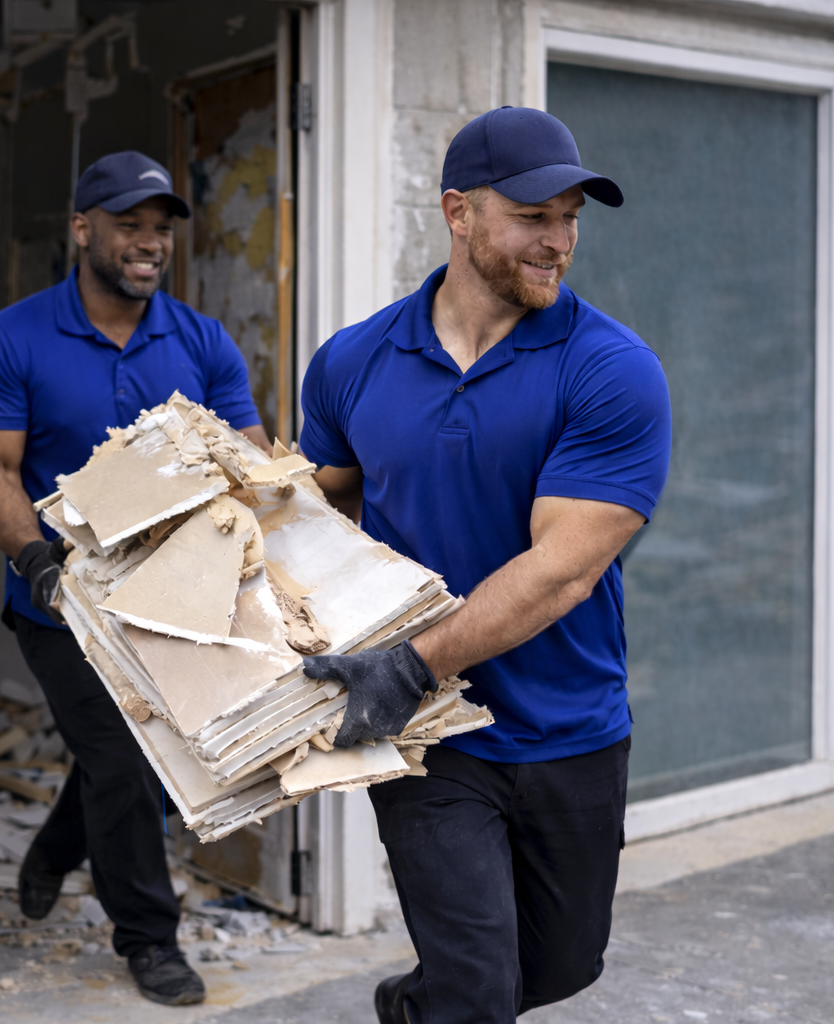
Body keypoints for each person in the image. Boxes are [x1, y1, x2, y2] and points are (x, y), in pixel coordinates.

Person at [297, 107, 672, 1024]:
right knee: (478, 994)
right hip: (433, 733)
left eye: (571, 218)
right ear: (459, 213)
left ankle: (410, 1007)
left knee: (558, 969)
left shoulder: (611, 370)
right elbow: (315, 508)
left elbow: (564, 571)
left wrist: (408, 661)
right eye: (534, 217)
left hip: (569, 726)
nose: (559, 242)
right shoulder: (353, 361)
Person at [0, 150, 271, 1006]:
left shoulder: (200, 342)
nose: (150, 244)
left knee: (137, 760)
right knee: (128, 768)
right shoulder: (11, 339)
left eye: (161, 229)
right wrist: (40, 566)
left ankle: (58, 848)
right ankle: (150, 940)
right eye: (130, 225)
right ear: (82, 229)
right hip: (61, 604)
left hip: (173, 604)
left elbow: (247, 456)